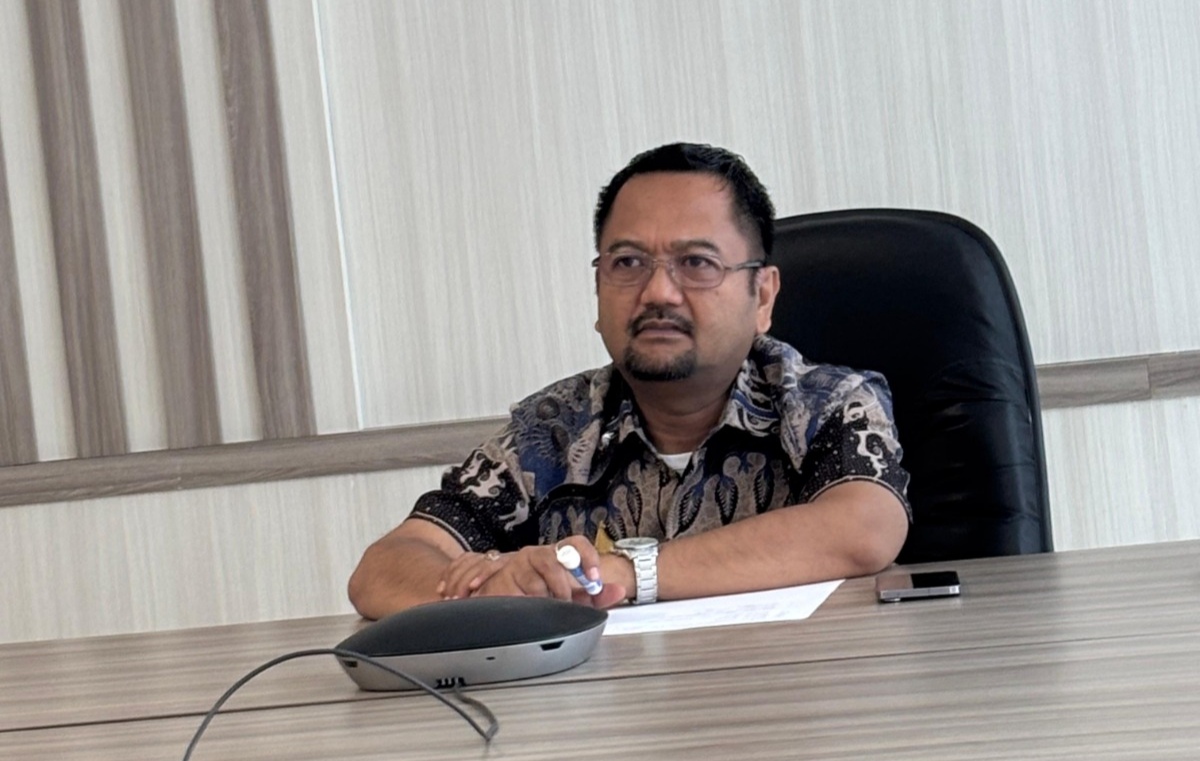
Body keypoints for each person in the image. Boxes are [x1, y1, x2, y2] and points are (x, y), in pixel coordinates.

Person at [349, 143, 910, 619]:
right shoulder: (550, 433)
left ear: (762, 296)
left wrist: (621, 573)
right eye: (627, 263)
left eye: (697, 263)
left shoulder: (825, 403)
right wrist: (491, 591)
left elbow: (862, 529)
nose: (658, 293)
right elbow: (384, 568)